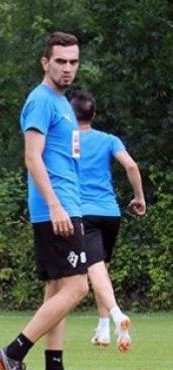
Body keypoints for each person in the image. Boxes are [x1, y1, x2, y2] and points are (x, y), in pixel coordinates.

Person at [0, 32, 96, 370]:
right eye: (61, 61)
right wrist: (55, 205)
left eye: (73, 62)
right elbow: (32, 157)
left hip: (68, 204)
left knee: (56, 288)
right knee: (77, 287)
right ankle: (13, 352)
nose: (67, 68)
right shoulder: (40, 101)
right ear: (45, 62)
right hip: (57, 208)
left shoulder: (62, 102)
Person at [70, 90, 146, 351]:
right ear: (94, 114)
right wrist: (139, 197)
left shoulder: (68, 141)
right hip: (110, 214)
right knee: (100, 267)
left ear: (71, 114)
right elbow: (131, 166)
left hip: (83, 213)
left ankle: (116, 315)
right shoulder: (108, 139)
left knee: (93, 269)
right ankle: (102, 329)